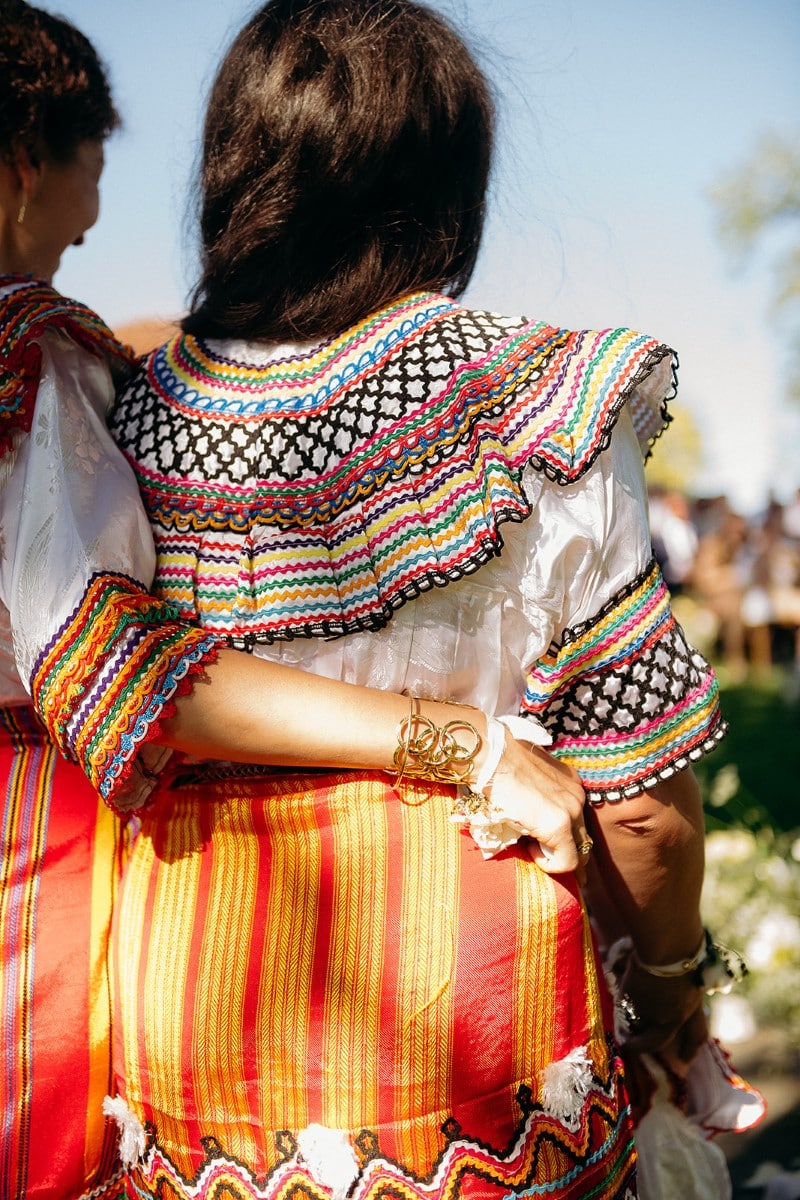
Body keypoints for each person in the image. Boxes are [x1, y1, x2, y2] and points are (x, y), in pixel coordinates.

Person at [97, 2, 742, 1196]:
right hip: (477, 1050)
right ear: (449, 182)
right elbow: (640, 807)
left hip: (191, 1038)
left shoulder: (117, 418)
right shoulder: (542, 403)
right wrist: (666, 995)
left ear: (236, 173)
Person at [0, 6, 591, 1197]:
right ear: (23, 161)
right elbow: (99, 661)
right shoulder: (33, 360)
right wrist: (464, 746)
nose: (95, 216)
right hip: (27, 866)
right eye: (91, 169)